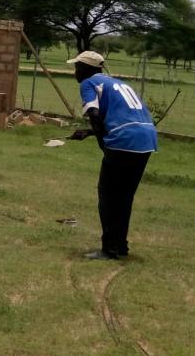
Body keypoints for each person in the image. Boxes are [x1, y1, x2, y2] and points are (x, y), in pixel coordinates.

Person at [67, 50, 157, 260]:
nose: (75, 73)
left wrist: (103, 144)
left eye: (77, 68)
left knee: (107, 196)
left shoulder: (88, 83)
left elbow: (95, 114)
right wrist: (89, 133)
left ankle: (109, 249)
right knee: (124, 197)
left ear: (86, 69)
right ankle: (121, 245)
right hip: (146, 139)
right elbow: (122, 116)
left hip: (123, 141)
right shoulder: (118, 83)